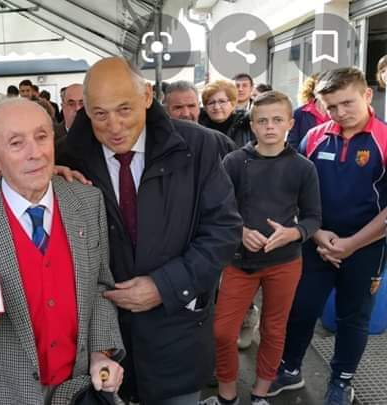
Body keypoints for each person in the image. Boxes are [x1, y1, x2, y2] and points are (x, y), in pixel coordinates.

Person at [57, 57, 242, 405]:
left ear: (146, 95)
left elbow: (224, 230)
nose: (114, 126)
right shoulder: (67, 157)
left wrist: (164, 286)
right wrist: (41, 182)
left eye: (124, 109)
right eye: (100, 114)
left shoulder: (198, 146)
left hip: (178, 336)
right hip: (101, 348)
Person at [0, 98, 124, 404]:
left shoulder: (88, 202)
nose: (35, 153)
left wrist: (100, 353)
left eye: (41, 137)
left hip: (77, 390)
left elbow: (100, 287)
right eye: (16, 143)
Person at [269, 68, 387, 405]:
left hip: (367, 247)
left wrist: (351, 244)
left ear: (367, 95)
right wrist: (318, 234)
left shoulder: (384, 139)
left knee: (354, 317)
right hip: (315, 243)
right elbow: (294, 191)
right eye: (331, 106)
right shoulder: (313, 137)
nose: (339, 112)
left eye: (347, 103)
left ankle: (341, 381)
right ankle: (290, 369)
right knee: (301, 308)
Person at [201, 91, 321, 405]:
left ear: (290, 123)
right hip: (239, 261)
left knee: (274, 329)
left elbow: (313, 217)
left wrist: (294, 233)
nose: (270, 126)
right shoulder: (234, 162)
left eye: (277, 120)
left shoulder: (303, 167)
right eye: (263, 120)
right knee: (223, 330)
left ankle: (260, 394)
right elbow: (217, 209)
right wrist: (240, 231)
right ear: (252, 125)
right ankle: (227, 395)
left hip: (285, 262)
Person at [163, 81, 237, 158]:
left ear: (199, 107)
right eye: (178, 107)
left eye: (191, 106)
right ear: (166, 110)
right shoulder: (157, 142)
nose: (186, 114)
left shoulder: (222, 143)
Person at [199, 80, 254, 148]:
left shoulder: (246, 125)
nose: (216, 107)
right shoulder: (197, 127)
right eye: (211, 103)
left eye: (222, 101)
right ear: (205, 107)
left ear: (233, 104)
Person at [287, 74, 329, 151]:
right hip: (305, 156)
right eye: (321, 87)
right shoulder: (299, 113)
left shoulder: (338, 113)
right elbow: (292, 144)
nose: (326, 91)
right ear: (314, 91)